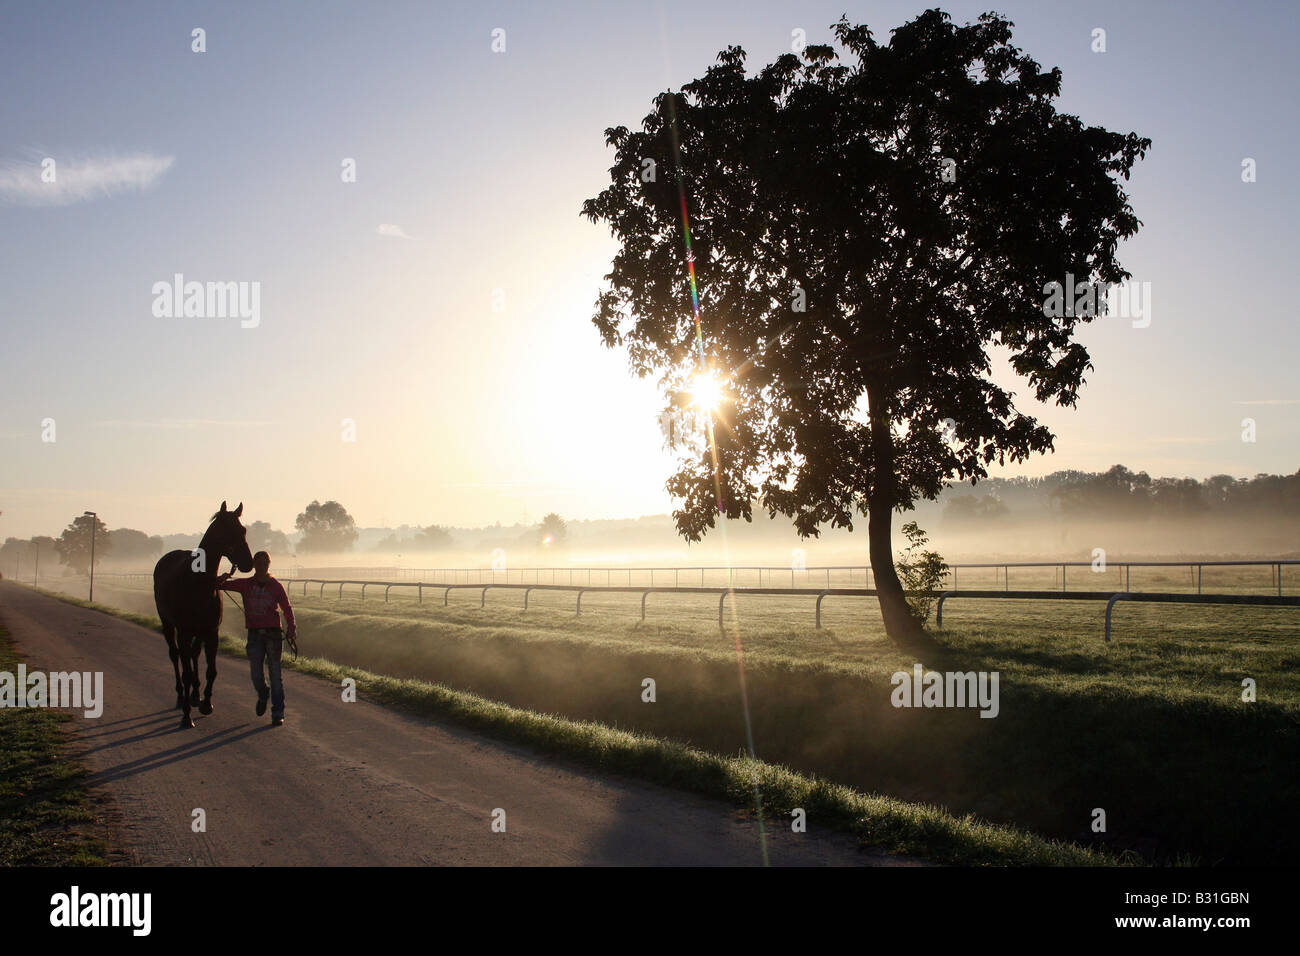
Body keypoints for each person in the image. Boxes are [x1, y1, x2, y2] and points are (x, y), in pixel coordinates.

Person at [217, 551, 297, 726]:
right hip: (254, 635)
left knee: (276, 675)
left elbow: (286, 607)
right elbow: (221, 586)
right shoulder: (245, 584)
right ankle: (262, 693)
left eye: (264, 563)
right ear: (254, 565)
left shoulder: (276, 586)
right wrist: (222, 578)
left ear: (268, 565)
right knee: (256, 675)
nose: (261, 567)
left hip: (273, 634)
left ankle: (278, 713)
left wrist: (291, 627)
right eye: (258, 563)